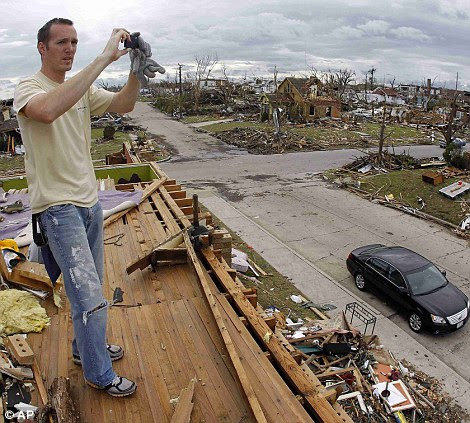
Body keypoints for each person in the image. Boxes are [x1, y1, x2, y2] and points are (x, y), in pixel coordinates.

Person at [13, 18, 145, 397]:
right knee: (87, 294)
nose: (70, 48)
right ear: (42, 48)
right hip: (58, 209)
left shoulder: (81, 89)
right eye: (61, 42)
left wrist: (136, 70)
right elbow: (47, 111)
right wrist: (104, 58)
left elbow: (124, 105)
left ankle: (83, 349)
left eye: (73, 42)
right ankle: (98, 373)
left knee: (90, 287)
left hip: (89, 203)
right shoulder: (29, 88)